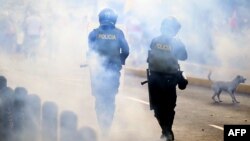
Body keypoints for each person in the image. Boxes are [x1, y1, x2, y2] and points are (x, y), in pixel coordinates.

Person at [87, 8, 129, 134]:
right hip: (113, 71)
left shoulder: (93, 33)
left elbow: (90, 53)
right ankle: (107, 127)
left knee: (99, 99)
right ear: (114, 19)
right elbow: (126, 51)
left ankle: (101, 126)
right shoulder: (119, 33)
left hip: (97, 72)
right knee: (110, 99)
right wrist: (119, 61)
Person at [147, 17, 188, 141]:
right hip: (169, 80)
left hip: (154, 79)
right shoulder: (177, 42)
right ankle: (167, 131)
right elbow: (184, 57)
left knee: (158, 108)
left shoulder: (154, 40)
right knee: (169, 107)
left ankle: (166, 131)